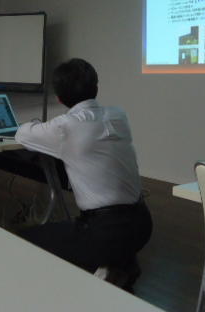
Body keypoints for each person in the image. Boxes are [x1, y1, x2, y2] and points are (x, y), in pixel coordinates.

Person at [15, 58, 152, 289]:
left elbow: (22, 134)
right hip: (143, 224)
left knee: (23, 240)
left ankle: (105, 266)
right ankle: (119, 263)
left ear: (59, 98)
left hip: (104, 232)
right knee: (102, 240)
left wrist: (37, 124)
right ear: (96, 87)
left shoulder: (65, 127)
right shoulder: (118, 115)